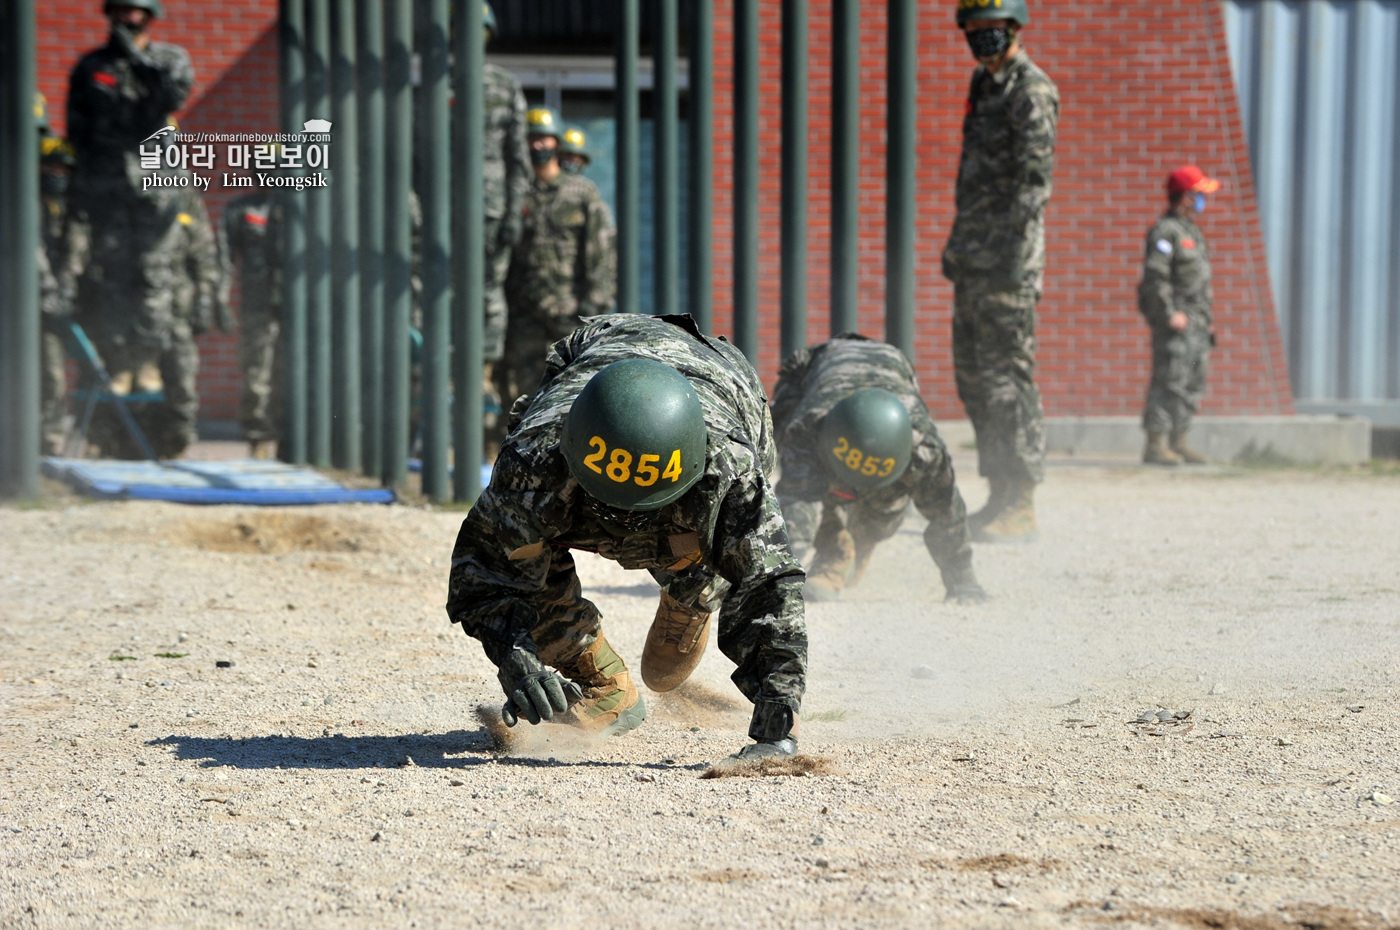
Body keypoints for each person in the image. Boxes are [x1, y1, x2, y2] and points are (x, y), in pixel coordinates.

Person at [447, 313, 806, 763]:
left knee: (706, 557)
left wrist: (776, 732)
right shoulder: (535, 456)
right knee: (524, 539)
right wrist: (516, 660)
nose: (623, 522)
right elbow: (484, 572)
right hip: (595, 358)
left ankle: (691, 588)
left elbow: (769, 590)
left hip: (727, 384)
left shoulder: (730, 471)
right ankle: (600, 680)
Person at [941, 0, 1058, 542]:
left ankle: (1024, 500)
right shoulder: (984, 85)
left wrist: (1010, 258)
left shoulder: (1029, 91)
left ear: (1013, 28)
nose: (981, 37)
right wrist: (960, 243)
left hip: (1008, 265)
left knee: (1009, 380)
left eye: (992, 29)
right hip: (974, 259)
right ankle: (1000, 493)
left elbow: (1033, 186)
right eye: (974, 28)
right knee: (974, 379)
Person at [65, 0, 194, 457]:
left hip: (155, 188)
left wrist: (137, 60)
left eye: (134, 13)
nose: (125, 21)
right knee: (110, 277)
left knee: (154, 275)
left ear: (149, 17)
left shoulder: (167, 59)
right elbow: (77, 129)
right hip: (106, 188)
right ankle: (119, 364)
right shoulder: (90, 67)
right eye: (118, 12)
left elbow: (172, 98)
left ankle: (148, 361)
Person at [771, 335, 986, 603]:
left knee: (886, 508)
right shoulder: (809, 425)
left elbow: (945, 510)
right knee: (789, 459)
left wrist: (963, 581)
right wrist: (777, 578)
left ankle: (859, 542)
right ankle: (833, 554)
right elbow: (799, 499)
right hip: (812, 370)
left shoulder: (924, 448)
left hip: (894, 364)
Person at [498, 107, 616, 414]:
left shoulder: (580, 193)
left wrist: (596, 303)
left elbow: (602, 250)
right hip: (524, 315)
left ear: (556, 144)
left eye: (544, 139)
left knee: (570, 393)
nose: (537, 146)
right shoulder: (516, 195)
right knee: (526, 395)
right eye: (531, 139)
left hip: (569, 315)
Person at [1138, 165, 1220, 466]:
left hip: (1197, 326)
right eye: (1198, 194)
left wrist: (1206, 319)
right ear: (1184, 197)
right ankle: (1156, 444)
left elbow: (1199, 283)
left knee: (1192, 380)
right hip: (1176, 325)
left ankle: (1180, 439)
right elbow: (1155, 279)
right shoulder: (1166, 233)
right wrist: (1169, 314)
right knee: (1168, 379)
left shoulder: (1191, 232)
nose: (1202, 200)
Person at [480, 2, 531, 440]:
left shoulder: (503, 86)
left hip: (491, 217)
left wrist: (513, 212)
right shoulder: (435, 89)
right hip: (440, 223)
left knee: (488, 301)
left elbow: (519, 158)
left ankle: (482, 377)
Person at [223, 188, 284, 458]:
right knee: (256, 372)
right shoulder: (241, 209)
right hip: (257, 304)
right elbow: (223, 258)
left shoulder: (301, 207)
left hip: (297, 304)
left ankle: (292, 439)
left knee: (295, 373)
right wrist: (219, 298)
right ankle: (258, 438)